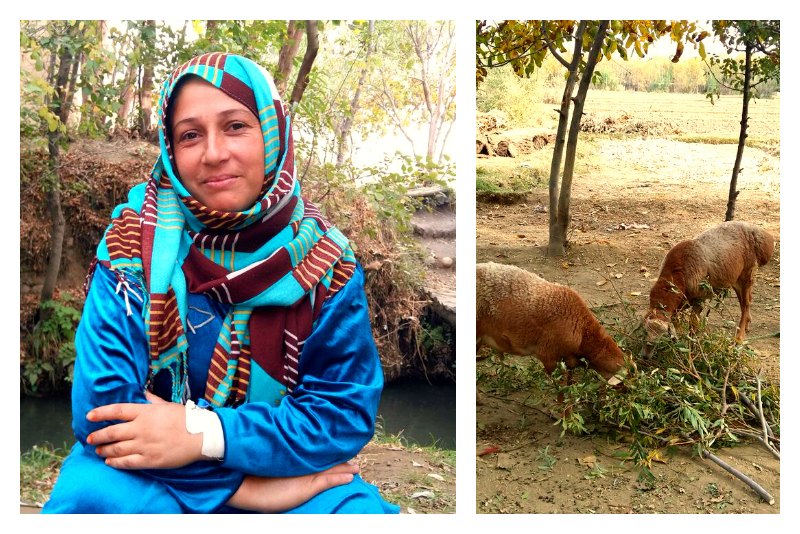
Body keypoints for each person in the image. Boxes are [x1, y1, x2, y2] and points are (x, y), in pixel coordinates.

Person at [43, 52, 400, 514]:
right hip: (150, 471)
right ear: (171, 150)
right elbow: (103, 410)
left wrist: (205, 434)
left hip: (281, 469)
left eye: (235, 126)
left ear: (272, 132)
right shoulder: (132, 246)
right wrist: (242, 491)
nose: (214, 153)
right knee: (91, 499)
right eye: (190, 135)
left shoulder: (326, 262)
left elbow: (341, 415)